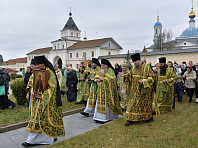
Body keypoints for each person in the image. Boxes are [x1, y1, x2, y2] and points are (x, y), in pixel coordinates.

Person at [22, 56, 65, 147]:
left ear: (43, 64)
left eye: (38, 64)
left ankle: (34, 140)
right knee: (36, 117)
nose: (36, 66)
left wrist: (44, 96)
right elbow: (32, 82)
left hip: (47, 101)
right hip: (37, 100)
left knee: (41, 118)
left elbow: (52, 87)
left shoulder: (50, 73)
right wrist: (32, 90)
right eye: (35, 64)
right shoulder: (37, 72)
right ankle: (33, 139)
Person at [120, 53, 155, 126]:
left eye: (136, 61)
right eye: (134, 62)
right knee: (132, 104)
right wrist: (124, 75)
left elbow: (152, 78)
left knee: (144, 105)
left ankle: (147, 117)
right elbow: (129, 76)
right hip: (134, 90)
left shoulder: (147, 67)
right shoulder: (133, 68)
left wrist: (144, 81)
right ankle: (131, 119)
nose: (135, 63)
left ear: (139, 60)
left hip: (144, 90)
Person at [93, 59, 123, 123]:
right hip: (100, 90)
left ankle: (106, 118)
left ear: (107, 65)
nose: (102, 66)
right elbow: (95, 77)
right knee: (99, 104)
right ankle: (98, 117)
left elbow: (112, 79)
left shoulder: (110, 71)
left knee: (106, 105)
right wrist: (98, 79)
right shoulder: (101, 71)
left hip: (108, 91)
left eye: (103, 65)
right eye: (101, 65)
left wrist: (103, 79)